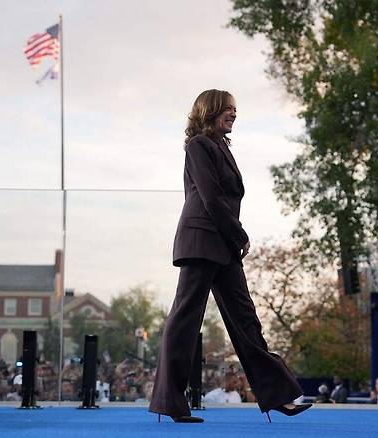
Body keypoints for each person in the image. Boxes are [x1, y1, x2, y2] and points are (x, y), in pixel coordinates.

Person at [149, 89, 311, 423]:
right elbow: (209, 197)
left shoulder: (221, 146)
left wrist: (233, 236)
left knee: (246, 319)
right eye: (228, 109)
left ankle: (277, 394)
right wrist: (240, 234)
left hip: (221, 243)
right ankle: (170, 401)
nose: (234, 115)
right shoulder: (198, 146)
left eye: (236, 110)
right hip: (202, 240)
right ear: (210, 111)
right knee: (185, 319)